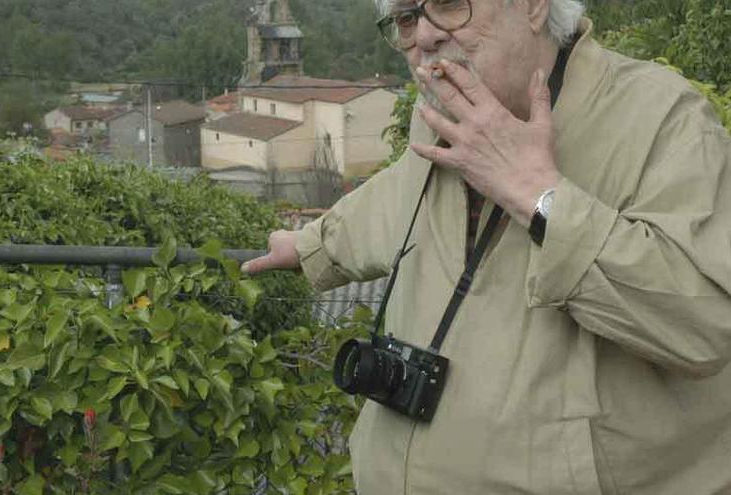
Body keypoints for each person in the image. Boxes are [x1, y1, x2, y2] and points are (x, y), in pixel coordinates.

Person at [242, 0, 731, 493]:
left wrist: (539, 196)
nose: (426, 35)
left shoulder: (661, 116)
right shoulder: (441, 116)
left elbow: (703, 322)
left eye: (449, 4)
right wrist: (312, 245)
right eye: (407, 19)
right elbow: (400, 193)